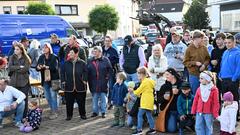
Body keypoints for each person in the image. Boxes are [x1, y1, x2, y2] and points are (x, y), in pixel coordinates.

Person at [63, 46, 88, 121]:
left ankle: (83, 114)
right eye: (69, 52)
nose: (69, 54)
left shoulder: (82, 63)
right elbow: (62, 73)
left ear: (76, 54)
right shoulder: (66, 63)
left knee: (81, 102)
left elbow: (86, 72)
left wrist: (84, 80)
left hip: (80, 85)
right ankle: (69, 115)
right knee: (69, 102)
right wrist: (63, 81)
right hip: (69, 86)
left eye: (71, 53)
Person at [191, 71, 219, 135]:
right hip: (199, 112)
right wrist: (193, 110)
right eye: (199, 78)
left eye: (201, 78)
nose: (199, 80)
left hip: (209, 113)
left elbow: (216, 103)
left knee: (208, 127)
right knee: (198, 126)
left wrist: (215, 113)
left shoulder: (214, 90)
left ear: (207, 79)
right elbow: (195, 100)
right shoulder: (199, 88)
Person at [219, 35, 240, 120]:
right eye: (226, 43)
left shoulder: (238, 53)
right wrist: (220, 74)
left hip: (232, 79)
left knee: (234, 99)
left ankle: (234, 117)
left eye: (229, 42)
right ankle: (226, 117)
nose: (227, 44)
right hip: (223, 79)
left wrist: (234, 78)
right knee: (225, 99)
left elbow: (239, 67)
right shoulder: (225, 52)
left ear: (234, 42)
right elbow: (222, 64)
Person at [88, 46, 112, 118]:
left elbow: (110, 70)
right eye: (93, 51)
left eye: (96, 51)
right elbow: (87, 71)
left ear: (100, 52)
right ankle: (95, 112)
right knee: (95, 98)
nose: (94, 53)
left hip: (103, 82)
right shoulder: (90, 60)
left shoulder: (105, 60)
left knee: (103, 98)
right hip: (93, 83)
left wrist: (107, 78)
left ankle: (103, 112)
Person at [183, 30, 210, 95]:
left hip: (204, 74)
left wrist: (204, 65)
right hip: (193, 75)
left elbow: (208, 58)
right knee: (195, 94)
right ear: (195, 38)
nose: (202, 40)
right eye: (201, 38)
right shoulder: (188, 49)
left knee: (205, 93)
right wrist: (195, 63)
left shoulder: (204, 48)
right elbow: (185, 62)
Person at [36, 43, 59, 120]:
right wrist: (39, 67)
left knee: (53, 96)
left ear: (49, 48)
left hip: (54, 79)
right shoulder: (41, 57)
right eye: (43, 48)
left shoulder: (54, 57)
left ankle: (54, 112)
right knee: (47, 96)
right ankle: (52, 109)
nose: (44, 49)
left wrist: (46, 67)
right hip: (45, 79)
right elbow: (37, 67)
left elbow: (55, 68)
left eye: (46, 47)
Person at [8, 43, 31, 117]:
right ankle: (16, 117)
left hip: (24, 82)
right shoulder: (12, 57)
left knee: (24, 99)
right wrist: (19, 67)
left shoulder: (26, 58)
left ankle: (24, 116)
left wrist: (16, 68)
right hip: (14, 82)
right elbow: (10, 67)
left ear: (21, 50)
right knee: (15, 100)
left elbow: (25, 69)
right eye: (15, 49)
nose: (15, 51)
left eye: (17, 49)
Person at [157, 68, 182, 133]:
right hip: (171, 111)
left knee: (186, 122)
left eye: (167, 74)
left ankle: (186, 123)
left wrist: (179, 92)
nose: (166, 76)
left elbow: (189, 95)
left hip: (182, 110)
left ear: (173, 75)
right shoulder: (164, 86)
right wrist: (163, 98)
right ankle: (178, 124)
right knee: (171, 130)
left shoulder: (182, 84)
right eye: (165, 75)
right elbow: (158, 100)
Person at [132, 67, 156, 135]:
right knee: (149, 115)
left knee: (139, 115)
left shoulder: (145, 82)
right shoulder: (150, 81)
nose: (138, 76)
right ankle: (152, 129)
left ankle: (139, 130)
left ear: (142, 74)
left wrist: (132, 91)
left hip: (145, 102)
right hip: (149, 101)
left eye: (138, 75)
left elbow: (137, 92)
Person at [102, 35, 119, 110]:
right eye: (106, 41)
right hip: (101, 72)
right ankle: (104, 102)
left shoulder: (113, 50)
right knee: (103, 87)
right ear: (104, 41)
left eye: (109, 41)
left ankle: (111, 102)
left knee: (111, 87)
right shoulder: (101, 49)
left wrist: (108, 62)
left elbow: (117, 60)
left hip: (110, 71)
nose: (107, 42)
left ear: (111, 42)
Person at [210, 33, 227, 105]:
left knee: (226, 94)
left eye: (219, 39)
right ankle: (218, 111)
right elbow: (211, 61)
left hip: (225, 75)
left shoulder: (227, 50)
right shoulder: (214, 51)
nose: (217, 41)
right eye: (216, 39)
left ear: (224, 40)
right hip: (215, 74)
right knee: (217, 94)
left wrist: (218, 61)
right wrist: (211, 62)